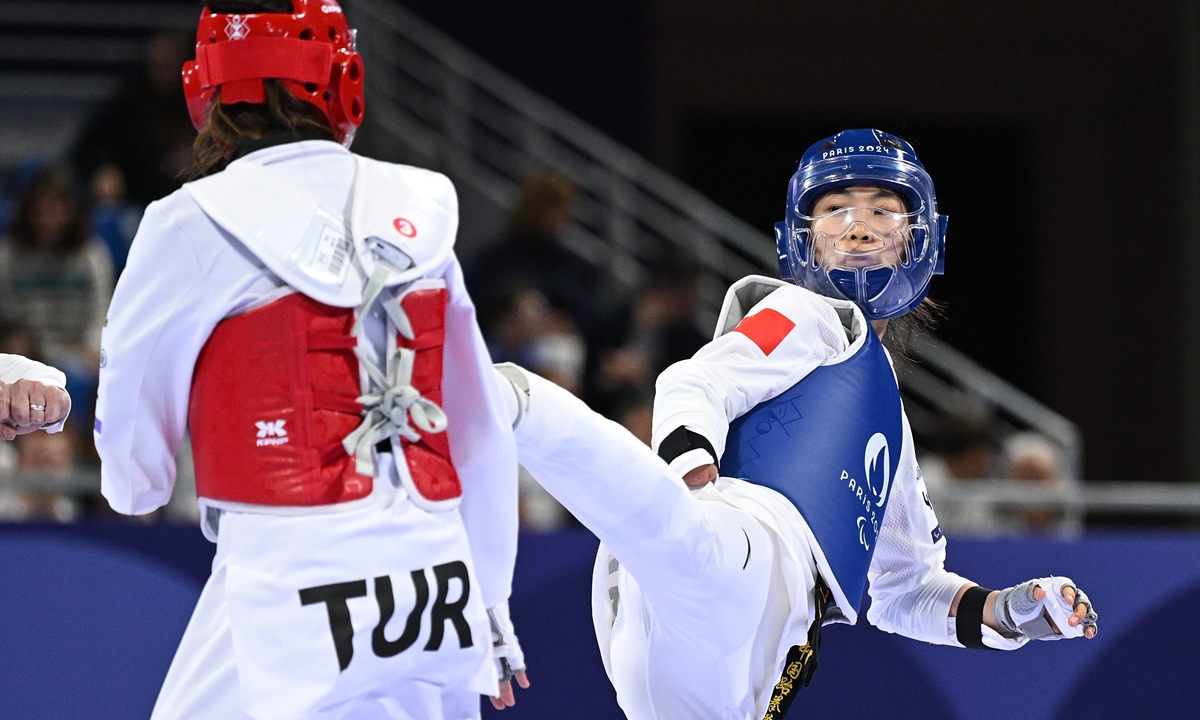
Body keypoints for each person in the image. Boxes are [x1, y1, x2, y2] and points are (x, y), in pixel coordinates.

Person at [493, 129, 1098, 720]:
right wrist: (693, 484)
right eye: (836, 209)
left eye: (884, 210)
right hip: (736, 551)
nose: (859, 226)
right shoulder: (805, 313)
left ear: (920, 242)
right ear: (803, 240)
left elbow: (906, 590)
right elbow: (694, 383)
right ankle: (513, 399)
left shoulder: (887, 421)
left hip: (755, 664)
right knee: (685, 544)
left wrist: (1008, 613)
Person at [95, 1, 525, 717]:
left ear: (208, 92)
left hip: (289, 572)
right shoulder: (420, 209)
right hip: (438, 578)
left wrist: (132, 481)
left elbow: (134, 465)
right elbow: (480, 432)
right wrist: (492, 612)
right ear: (342, 80)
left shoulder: (189, 221)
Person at [0, 166, 113, 445]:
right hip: (30, 345)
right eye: (43, 209)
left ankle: (83, 457)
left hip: (80, 348)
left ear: (72, 212)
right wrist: (37, 344)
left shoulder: (91, 256)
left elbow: (101, 312)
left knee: (102, 374)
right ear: (29, 211)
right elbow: (7, 315)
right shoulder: (9, 256)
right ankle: (22, 449)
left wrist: (91, 348)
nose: (50, 219)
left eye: (58, 209)